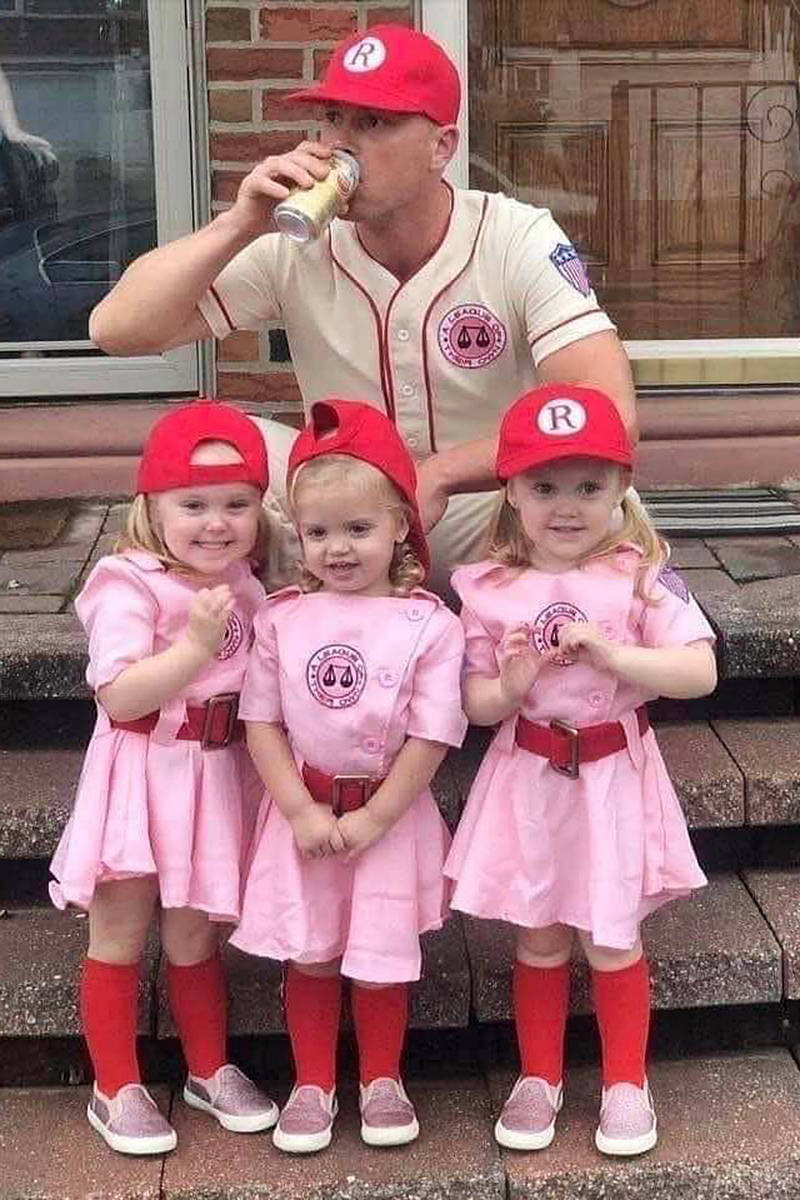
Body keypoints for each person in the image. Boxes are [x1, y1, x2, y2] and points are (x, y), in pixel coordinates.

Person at [87, 23, 637, 593]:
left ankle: (560, 649)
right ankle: (230, 649)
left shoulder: (514, 235)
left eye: (374, 122)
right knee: (218, 450)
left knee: (600, 497)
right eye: (334, 120)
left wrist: (445, 473)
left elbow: (611, 415)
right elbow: (116, 329)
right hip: (344, 522)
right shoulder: (295, 244)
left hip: (483, 513)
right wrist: (239, 223)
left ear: (441, 147)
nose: (343, 144)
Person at [443, 383, 717, 1157]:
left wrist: (613, 653)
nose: (567, 506)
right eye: (544, 486)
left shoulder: (640, 574)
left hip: (612, 781)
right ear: (511, 491)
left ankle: (626, 1081)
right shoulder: (488, 589)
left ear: (622, 489)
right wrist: (512, 686)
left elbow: (698, 672)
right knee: (538, 936)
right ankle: (540, 1076)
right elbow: (475, 703)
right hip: (530, 779)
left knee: (612, 936)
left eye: (590, 487)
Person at [229, 397, 467, 1153]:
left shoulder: (431, 624)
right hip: (304, 811)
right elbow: (260, 720)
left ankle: (382, 1078)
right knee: (311, 950)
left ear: (400, 525)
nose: (338, 548)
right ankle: (311, 1080)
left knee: (381, 953)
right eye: (319, 531)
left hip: (388, 818)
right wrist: (298, 809)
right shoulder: (281, 618)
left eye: (358, 529)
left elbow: (433, 734)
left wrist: (375, 817)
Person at [49, 400, 280, 1155]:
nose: (216, 523)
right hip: (142, 772)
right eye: (194, 504)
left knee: (196, 927)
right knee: (120, 927)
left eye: (237, 504)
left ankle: (206, 1069)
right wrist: (193, 650)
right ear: (153, 505)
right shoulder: (127, 581)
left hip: (214, 774)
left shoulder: (247, 583)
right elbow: (119, 693)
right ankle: (115, 1085)